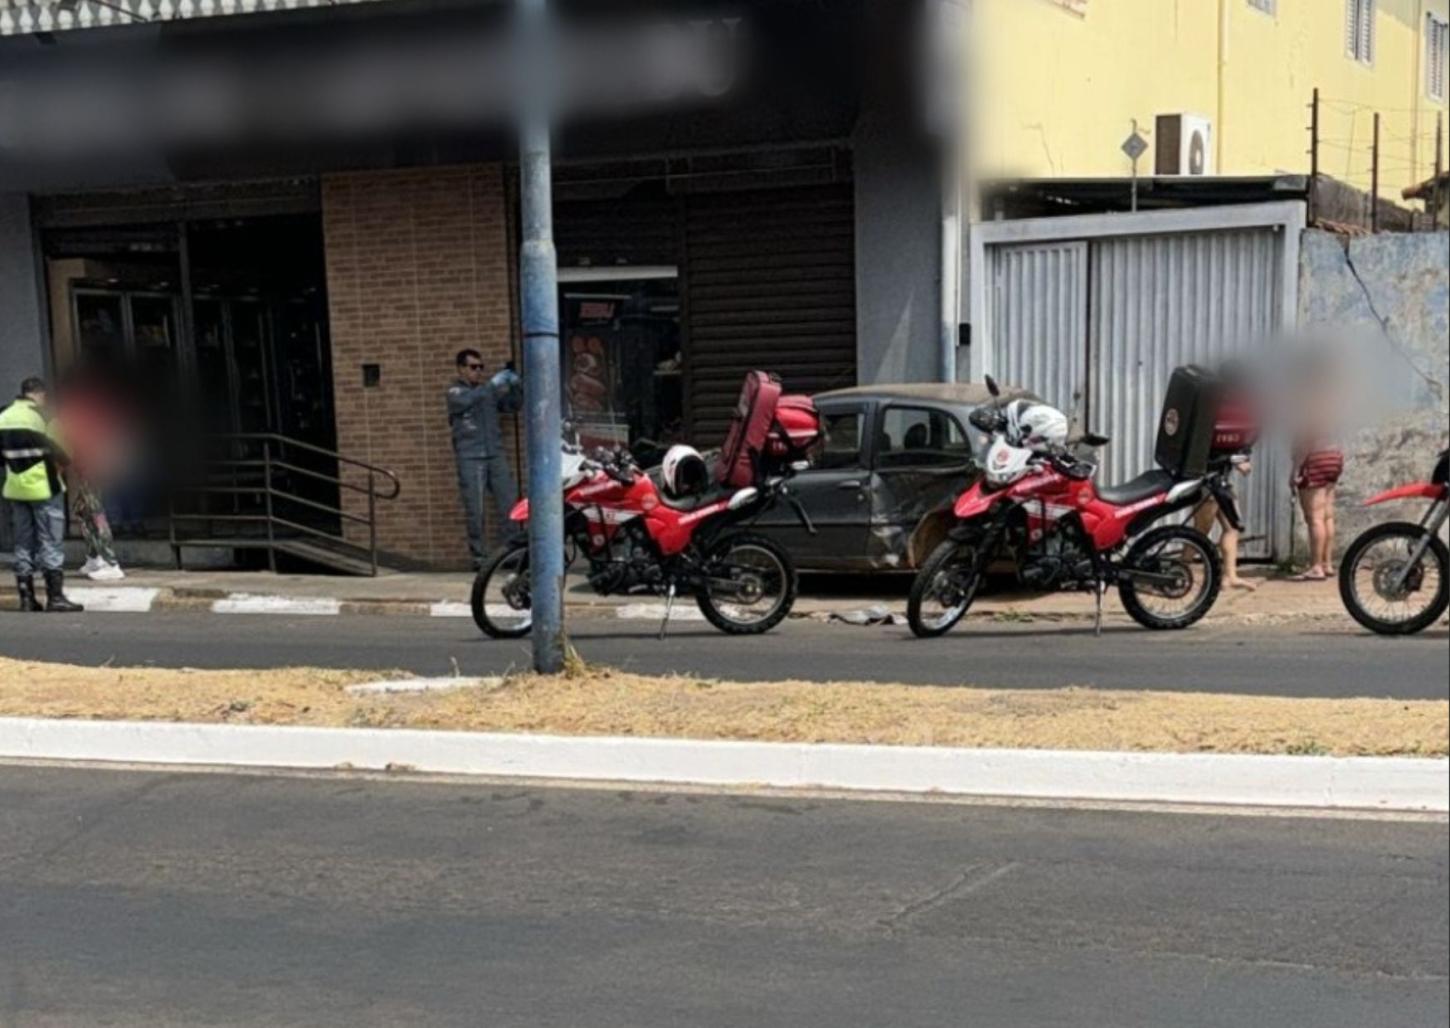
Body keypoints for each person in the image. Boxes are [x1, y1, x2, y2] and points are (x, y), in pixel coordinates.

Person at [0, 377, 84, 612]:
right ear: (40, 394)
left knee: (23, 542)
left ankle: (26, 597)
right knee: (50, 540)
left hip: (15, 487)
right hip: (44, 486)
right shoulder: (44, 416)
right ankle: (55, 597)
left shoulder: (3, 416)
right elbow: (65, 451)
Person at [446, 350, 522, 569]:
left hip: (495, 454)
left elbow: (513, 406)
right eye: (473, 367)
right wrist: (494, 384)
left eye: (481, 367)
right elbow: (466, 402)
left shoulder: (487, 391)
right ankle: (478, 557)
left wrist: (516, 385)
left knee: (509, 504)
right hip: (470, 456)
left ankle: (512, 553)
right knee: (475, 509)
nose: (478, 371)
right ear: (461, 368)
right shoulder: (455, 391)